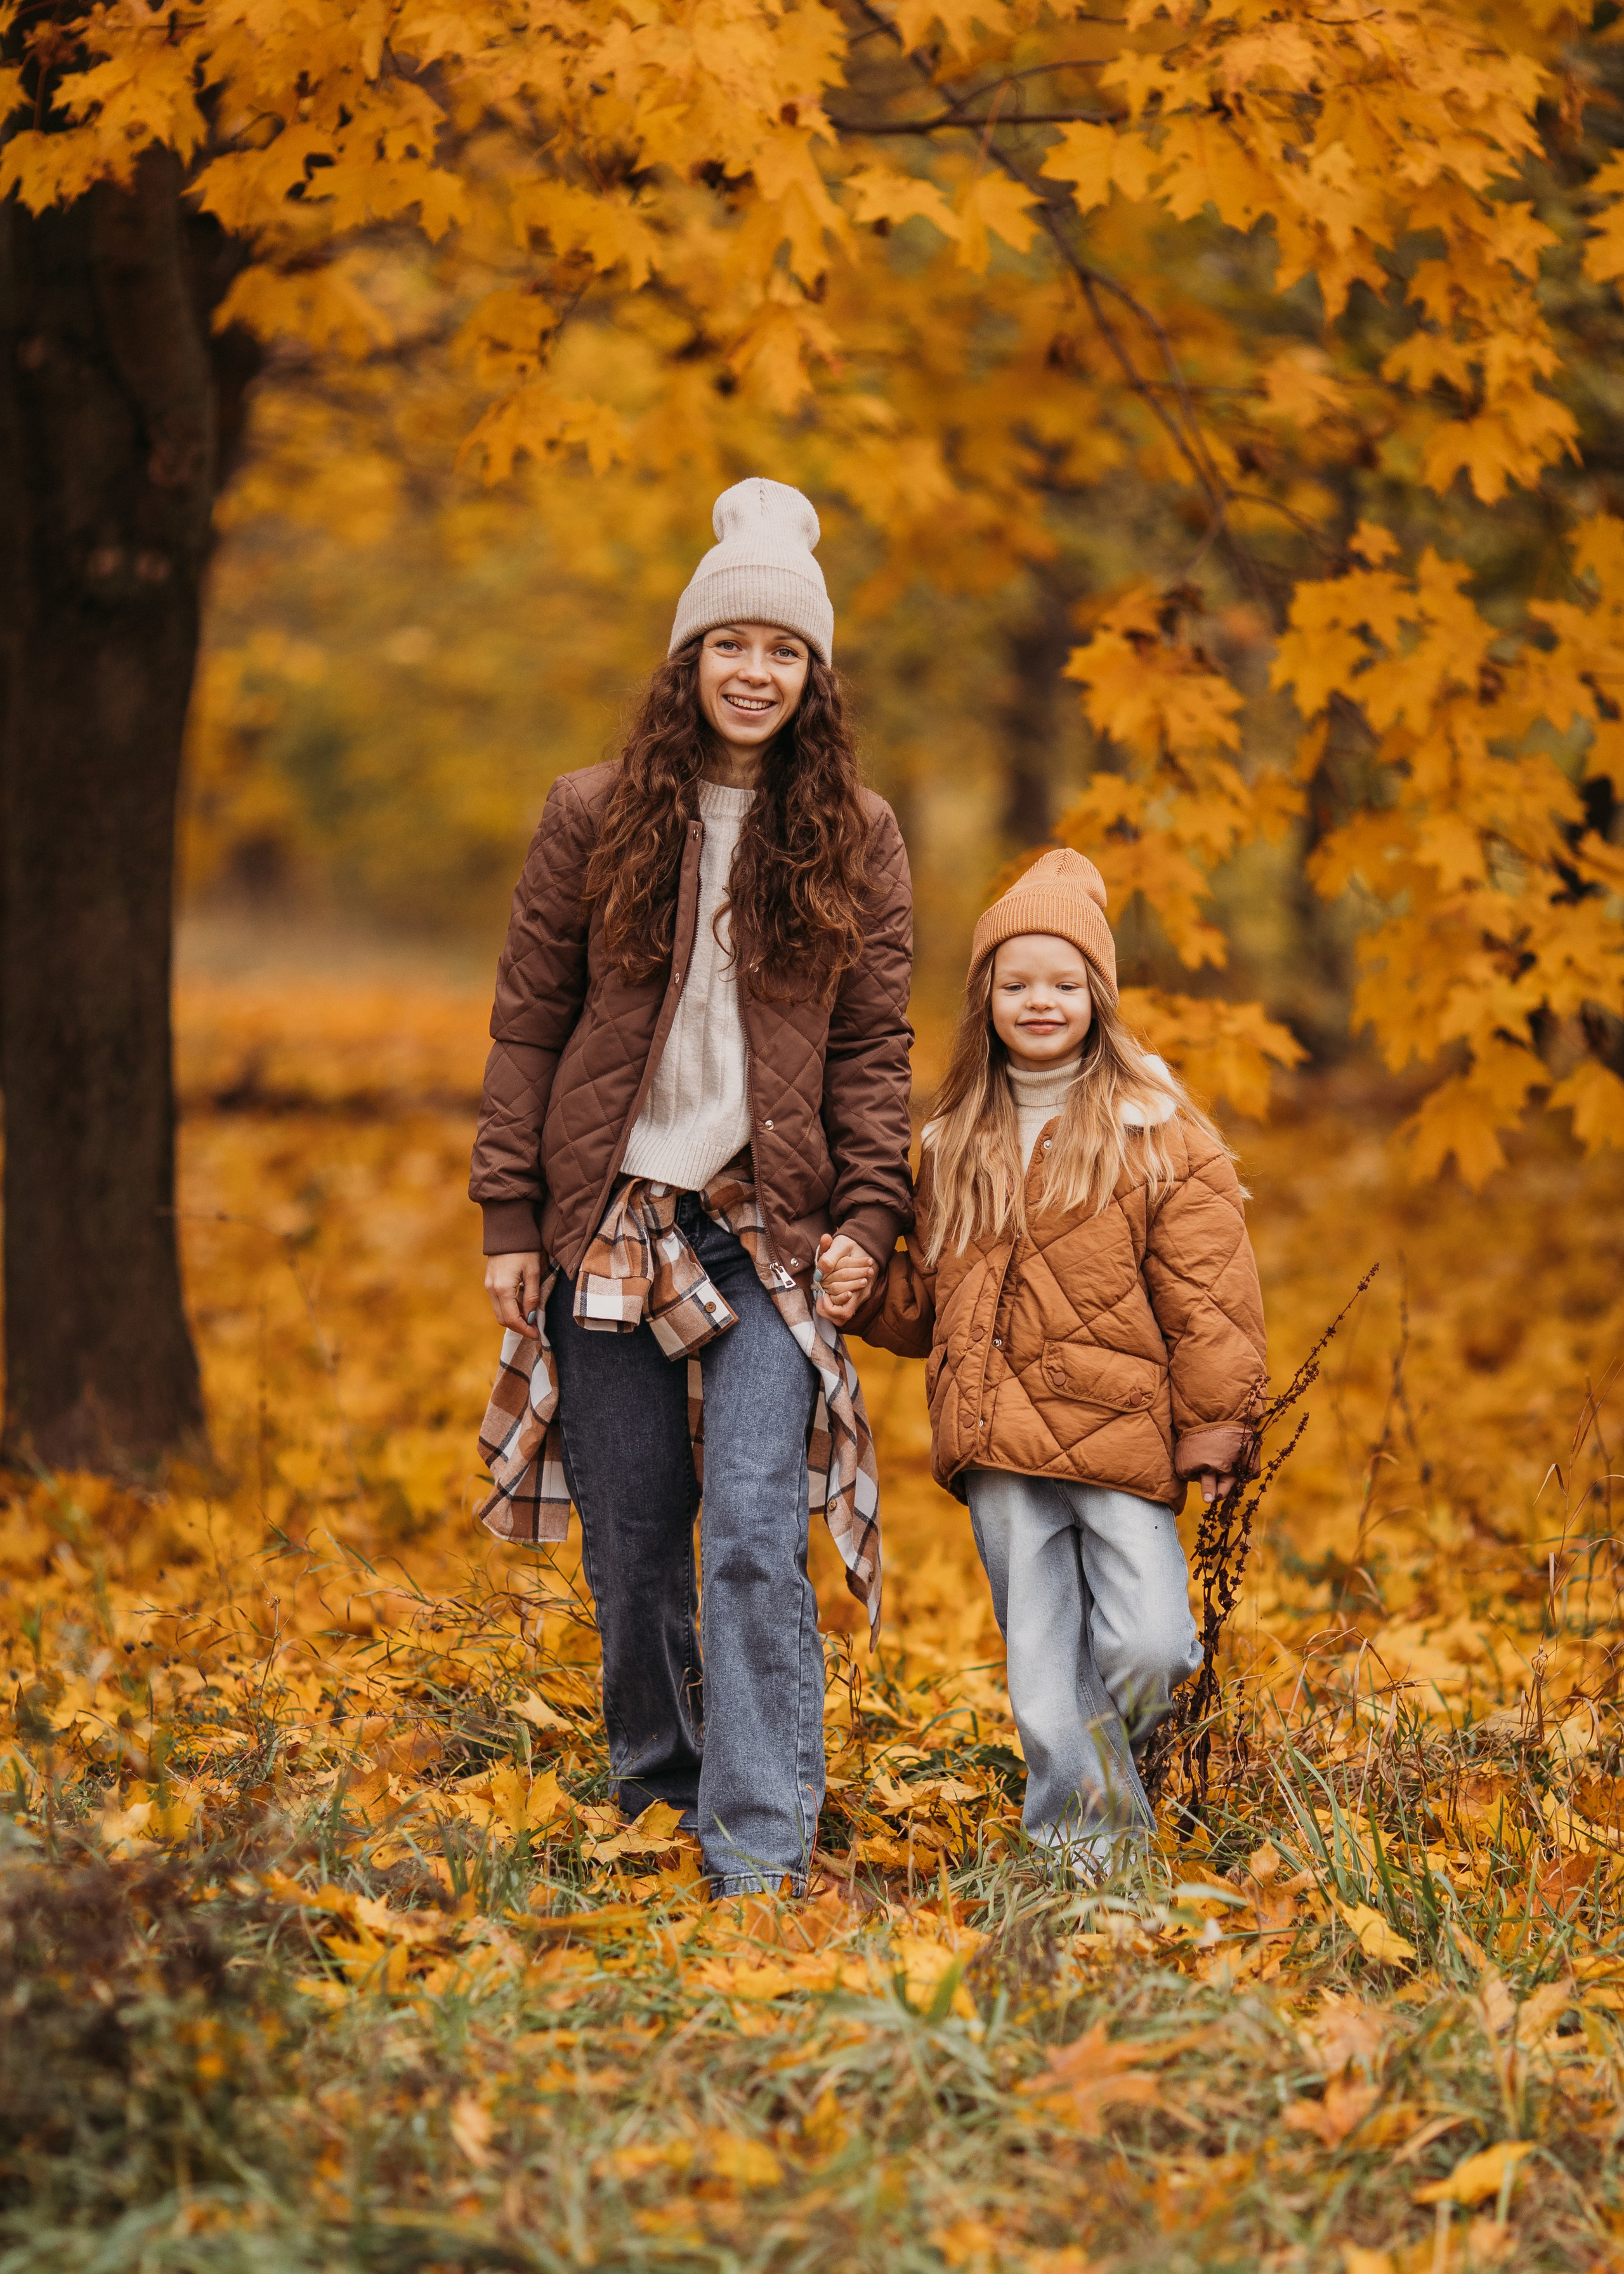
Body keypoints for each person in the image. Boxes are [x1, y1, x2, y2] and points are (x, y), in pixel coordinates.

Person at [468, 478, 914, 1897]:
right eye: (731, 645)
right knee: (638, 1533)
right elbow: (528, 1021)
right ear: (688, 658)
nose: (754, 671)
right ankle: (660, 1790)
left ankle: (761, 1843)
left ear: (813, 676)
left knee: (751, 1533)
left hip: (763, 1230)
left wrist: (865, 1218)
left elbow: (871, 1046)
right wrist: (506, 1221)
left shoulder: (858, 832)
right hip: (607, 1218)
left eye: (783, 652)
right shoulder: (591, 815)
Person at [832, 847, 1266, 1874]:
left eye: (1064, 984)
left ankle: (1103, 1778)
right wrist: (868, 1298)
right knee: (1041, 1661)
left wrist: (1216, 1427)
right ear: (986, 998)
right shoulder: (954, 1140)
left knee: (1153, 1645)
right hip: (997, 1441)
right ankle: (1087, 1856)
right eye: (1017, 983)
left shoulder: (1158, 1130)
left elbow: (1211, 1298)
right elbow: (938, 1300)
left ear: (1098, 998)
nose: (1041, 1002)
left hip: (1120, 1431)